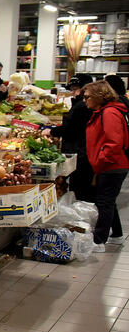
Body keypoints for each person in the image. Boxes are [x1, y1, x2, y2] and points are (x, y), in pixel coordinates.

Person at [84, 80, 129, 249]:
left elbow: (114, 142)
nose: (85, 100)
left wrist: (100, 160)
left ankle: (99, 241)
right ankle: (116, 234)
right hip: (112, 164)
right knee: (108, 200)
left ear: (98, 96)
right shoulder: (106, 111)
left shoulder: (109, 113)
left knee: (104, 202)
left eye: (88, 97)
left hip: (112, 165)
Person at [44, 73, 95, 201]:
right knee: (79, 187)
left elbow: (73, 128)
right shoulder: (81, 104)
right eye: (72, 89)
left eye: (76, 88)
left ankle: (83, 214)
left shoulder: (83, 106)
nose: (73, 92)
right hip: (81, 150)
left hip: (81, 151)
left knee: (80, 187)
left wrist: (53, 132)